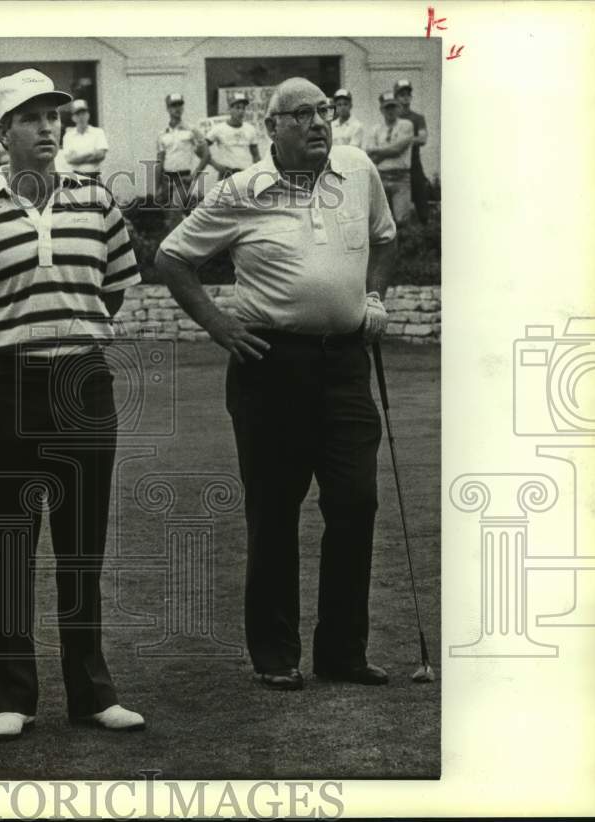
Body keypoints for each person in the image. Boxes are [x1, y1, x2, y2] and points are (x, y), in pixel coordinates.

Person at [155, 77, 396, 692]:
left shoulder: (358, 169)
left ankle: (342, 651)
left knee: (355, 503)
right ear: (272, 128)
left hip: (345, 366)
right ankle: (275, 655)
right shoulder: (240, 191)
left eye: (324, 112)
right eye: (302, 115)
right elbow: (173, 257)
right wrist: (218, 325)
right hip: (270, 368)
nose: (320, 123)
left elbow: (385, 239)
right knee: (274, 511)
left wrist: (372, 297)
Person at [0, 67, 145, 742]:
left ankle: (91, 692)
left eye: (54, 116)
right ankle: (13, 696)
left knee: (82, 542)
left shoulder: (99, 204)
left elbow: (110, 291)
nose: (47, 128)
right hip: (11, 385)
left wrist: (66, 340)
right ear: (2, 134)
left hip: (83, 381)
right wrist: (22, 348)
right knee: (12, 541)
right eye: (30, 118)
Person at [364, 91, 415, 226]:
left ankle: (404, 246)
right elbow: (368, 152)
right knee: (382, 222)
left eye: (393, 107)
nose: (390, 111)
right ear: (381, 109)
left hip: (400, 177)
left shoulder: (406, 125)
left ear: (398, 107)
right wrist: (390, 149)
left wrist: (378, 150)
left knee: (402, 220)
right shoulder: (375, 129)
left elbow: (398, 149)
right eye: (387, 107)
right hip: (381, 177)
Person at [154, 92, 206, 212]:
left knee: (175, 210)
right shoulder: (162, 133)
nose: (177, 109)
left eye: (179, 105)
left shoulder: (192, 130)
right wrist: (157, 188)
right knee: (168, 215)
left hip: (183, 178)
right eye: (173, 106)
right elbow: (159, 161)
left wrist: (193, 176)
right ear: (168, 108)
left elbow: (206, 155)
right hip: (166, 178)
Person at [196, 92, 260, 180]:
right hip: (226, 174)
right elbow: (199, 149)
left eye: (243, 108)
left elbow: (256, 156)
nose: (241, 111)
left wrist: (257, 173)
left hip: (244, 174)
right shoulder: (219, 129)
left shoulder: (250, 129)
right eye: (237, 108)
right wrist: (215, 165)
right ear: (230, 109)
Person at [394, 79, 430, 223]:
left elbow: (422, 139)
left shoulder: (417, 118)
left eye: (407, 94)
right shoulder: (392, 118)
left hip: (414, 164)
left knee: (421, 200)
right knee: (397, 205)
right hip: (397, 165)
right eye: (401, 94)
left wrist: (402, 142)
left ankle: (425, 234)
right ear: (396, 97)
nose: (405, 98)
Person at [60, 99, 108, 181]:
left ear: (88, 115)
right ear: (73, 118)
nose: (81, 117)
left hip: (94, 176)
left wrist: (78, 157)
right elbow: (70, 159)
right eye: (78, 114)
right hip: (76, 178)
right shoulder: (68, 136)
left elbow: (101, 155)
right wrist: (91, 153)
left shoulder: (98, 132)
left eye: (83, 113)